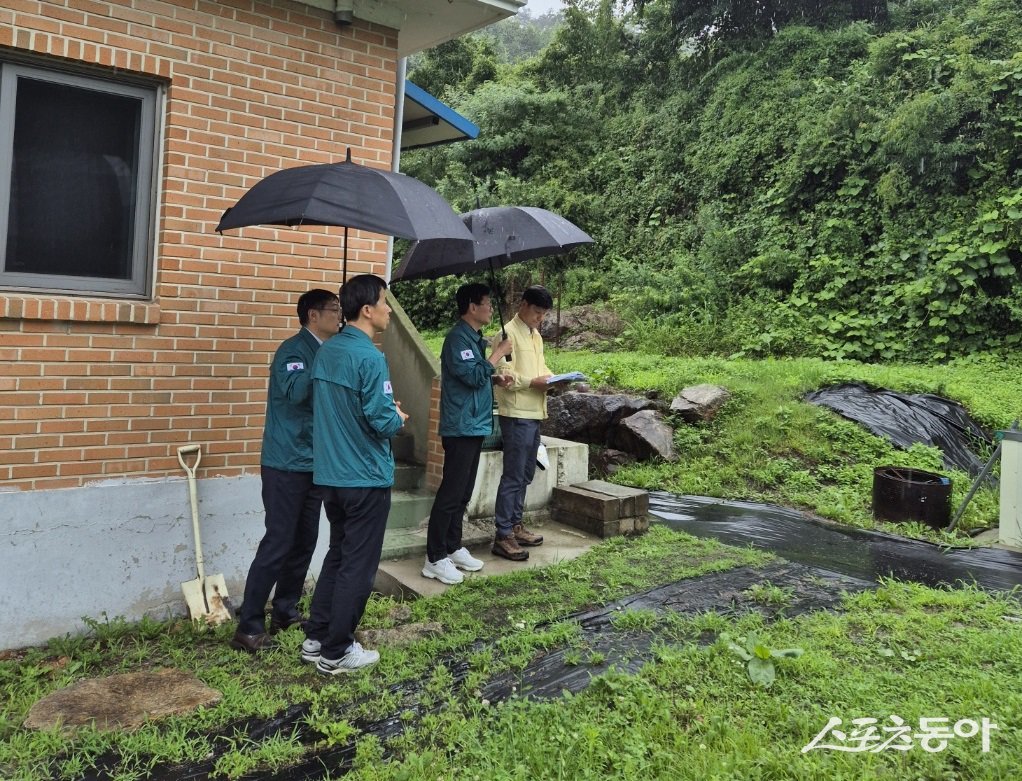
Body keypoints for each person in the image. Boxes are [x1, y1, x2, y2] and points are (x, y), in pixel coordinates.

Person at [300, 274, 408, 675]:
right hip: (363, 476)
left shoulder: (327, 351)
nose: (389, 310)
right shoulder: (369, 356)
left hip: (331, 475)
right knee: (357, 566)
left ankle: (317, 637)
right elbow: (382, 421)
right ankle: (337, 651)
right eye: (385, 302)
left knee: (338, 554)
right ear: (367, 310)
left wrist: (381, 407)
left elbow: (346, 407)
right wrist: (396, 415)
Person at [231, 289, 341, 653]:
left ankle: (285, 609)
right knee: (278, 542)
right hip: (285, 462)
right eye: (333, 310)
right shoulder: (292, 351)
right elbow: (296, 393)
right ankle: (248, 626)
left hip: (313, 462)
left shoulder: (325, 351)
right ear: (312, 315)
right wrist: (327, 364)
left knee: (305, 540)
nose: (339, 316)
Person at [422, 283, 512, 585]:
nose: (490, 308)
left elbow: (475, 375)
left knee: (463, 493)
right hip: (460, 425)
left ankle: (452, 546)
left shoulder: (473, 339)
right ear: (472, 308)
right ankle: (434, 557)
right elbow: (473, 375)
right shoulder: (457, 339)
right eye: (486, 303)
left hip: (474, 424)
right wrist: (498, 353)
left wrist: (495, 377)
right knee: (450, 493)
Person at [491, 285, 556, 561]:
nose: (539, 319)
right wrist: (533, 382)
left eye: (543, 315)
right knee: (513, 475)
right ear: (524, 305)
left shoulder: (535, 336)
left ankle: (515, 525)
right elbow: (503, 376)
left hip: (535, 413)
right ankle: (503, 533)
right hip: (516, 414)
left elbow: (541, 369)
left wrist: (554, 379)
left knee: (527, 473)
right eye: (537, 312)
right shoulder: (506, 334)